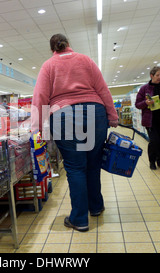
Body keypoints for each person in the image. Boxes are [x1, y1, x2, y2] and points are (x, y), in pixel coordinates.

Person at [31, 34, 118, 232]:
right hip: (95, 113)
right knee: (93, 163)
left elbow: (40, 97)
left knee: (76, 167)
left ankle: (79, 218)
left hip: (64, 115)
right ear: (69, 45)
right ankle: (96, 207)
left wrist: (37, 128)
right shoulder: (85, 60)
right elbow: (103, 89)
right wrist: (112, 116)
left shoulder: (49, 65)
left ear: (52, 48)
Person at [135, 66, 160, 170]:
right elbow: (137, 104)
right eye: (157, 75)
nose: (159, 77)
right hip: (150, 120)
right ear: (151, 75)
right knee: (154, 141)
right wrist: (146, 102)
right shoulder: (144, 89)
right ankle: (152, 161)